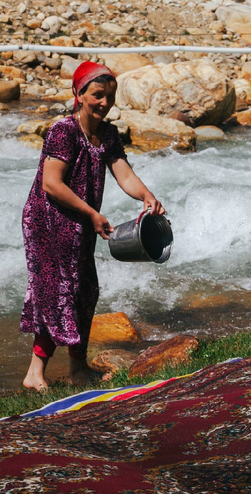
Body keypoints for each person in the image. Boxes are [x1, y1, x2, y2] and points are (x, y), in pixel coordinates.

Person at [21, 61, 164, 392]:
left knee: (86, 291)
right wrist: (92, 214)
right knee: (57, 291)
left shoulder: (109, 133)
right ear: (79, 94)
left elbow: (123, 172)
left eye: (109, 97)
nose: (104, 103)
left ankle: (77, 369)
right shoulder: (63, 132)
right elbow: (51, 184)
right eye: (97, 95)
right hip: (48, 221)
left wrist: (146, 195)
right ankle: (34, 373)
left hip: (81, 221)